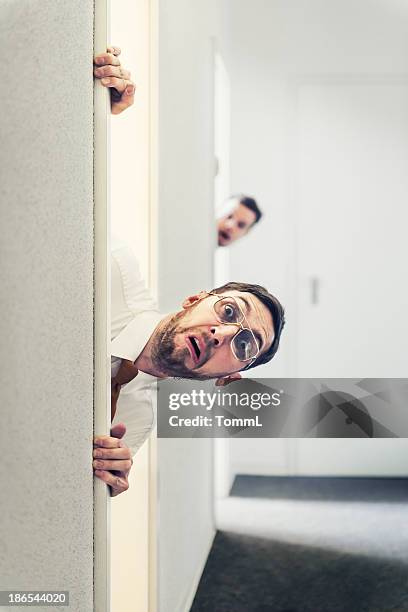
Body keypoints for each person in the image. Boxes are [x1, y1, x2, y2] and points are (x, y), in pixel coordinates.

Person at [92, 50, 285, 496]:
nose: (221, 333)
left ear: (228, 377)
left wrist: (108, 478)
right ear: (194, 299)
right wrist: (100, 110)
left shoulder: (138, 416)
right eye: (228, 311)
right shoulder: (110, 269)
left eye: (243, 343)